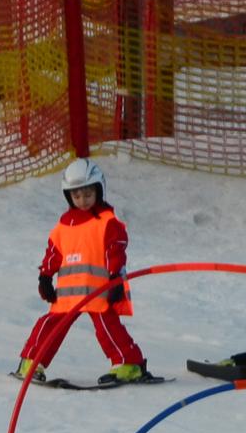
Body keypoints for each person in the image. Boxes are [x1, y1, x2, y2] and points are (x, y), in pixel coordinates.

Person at [16, 157, 152, 384]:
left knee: (108, 328)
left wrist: (115, 278)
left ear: (99, 190)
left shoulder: (107, 221)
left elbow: (115, 252)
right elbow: (54, 252)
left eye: (88, 194)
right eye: (76, 196)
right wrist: (45, 276)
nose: (83, 200)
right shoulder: (63, 225)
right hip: (67, 293)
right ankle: (31, 362)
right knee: (49, 326)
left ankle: (129, 364)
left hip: (98, 290)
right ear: (68, 196)